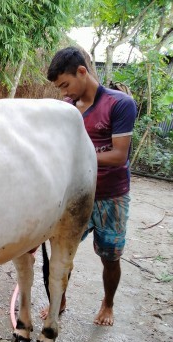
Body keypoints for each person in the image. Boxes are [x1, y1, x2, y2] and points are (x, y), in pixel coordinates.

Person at [42, 46, 137, 326]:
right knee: (63, 252)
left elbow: (119, 155)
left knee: (110, 256)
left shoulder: (119, 104)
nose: (64, 93)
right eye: (60, 88)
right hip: (75, 196)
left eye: (66, 85)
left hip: (110, 196)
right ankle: (59, 300)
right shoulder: (67, 111)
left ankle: (108, 304)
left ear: (82, 72)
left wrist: (77, 158)